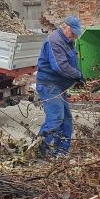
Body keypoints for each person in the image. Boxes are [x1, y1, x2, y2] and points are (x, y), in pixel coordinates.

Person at [35, 16, 84, 157]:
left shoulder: (68, 41)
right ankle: (39, 148)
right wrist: (77, 75)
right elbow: (60, 67)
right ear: (64, 27)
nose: (75, 36)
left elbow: (71, 62)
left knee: (66, 118)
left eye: (76, 33)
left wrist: (77, 76)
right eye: (73, 32)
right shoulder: (55, 41)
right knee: (56, 118)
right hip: (49, 85)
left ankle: (61, 150)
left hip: (59, 85)